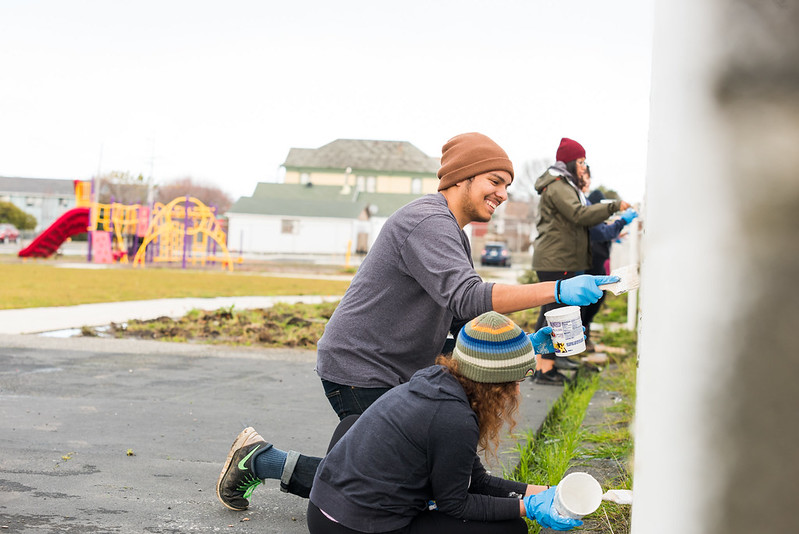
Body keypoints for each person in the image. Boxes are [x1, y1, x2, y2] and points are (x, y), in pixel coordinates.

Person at [217, 133, 619, 511]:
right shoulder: (427, 222)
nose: (502, 193)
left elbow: (467, 323)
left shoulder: (452, 232)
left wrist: (529, 344)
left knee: (400, 475)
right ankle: (260, 461)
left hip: (400, 366)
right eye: (495, 180)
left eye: (507, 185)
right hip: (361, 368)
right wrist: (557, 290)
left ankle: (262, 460)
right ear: (461, 178)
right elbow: (469, 295)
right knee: (392, 481)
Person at [307, 312, 583, 533]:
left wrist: (548, 493)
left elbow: (477, 481)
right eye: (517, 382)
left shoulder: (438, 379)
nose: (517, 392)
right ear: (495, 386)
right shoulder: (455, 420)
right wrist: (528, 508)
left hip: (322, 507)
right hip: (355, 528)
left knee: (353, 423)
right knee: (511, 529)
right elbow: (456, 504)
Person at [531, 138, 631, 385]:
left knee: (549, 311)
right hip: (557, 259)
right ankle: (544, 370)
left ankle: (543, 366)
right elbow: (578, 214)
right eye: (581, 161)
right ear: (570, 161)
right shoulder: (557, 185)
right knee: (555, 313)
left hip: (558, 258)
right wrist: (613, 207)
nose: (584, 167)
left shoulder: (563, 184)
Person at [580, 168, 638, 350]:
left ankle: (583, 337)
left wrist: (615, 235)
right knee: (589, 302)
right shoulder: (590, 218)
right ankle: (581, 339)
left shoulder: (594, 219)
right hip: (592, 266)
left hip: (596, 265)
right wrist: (620, 224)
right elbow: (601, 233)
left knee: (593, 301)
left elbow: (604, 232)